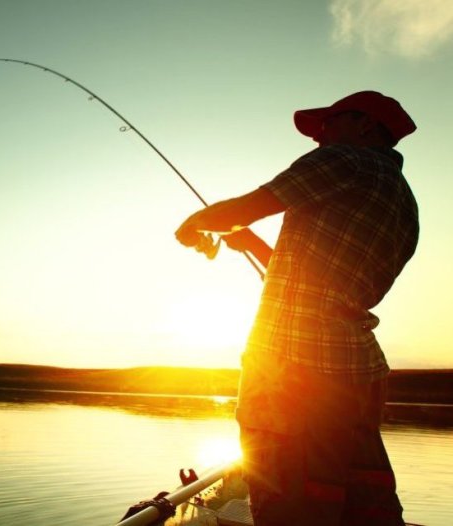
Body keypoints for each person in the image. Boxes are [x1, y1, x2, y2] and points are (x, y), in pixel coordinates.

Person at [175, 91, 418, 525]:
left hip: (294, 367)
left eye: (329, 124)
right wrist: (251, 242)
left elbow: (252, 205)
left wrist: (195, 223)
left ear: (364, 125)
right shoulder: (404, 200)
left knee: (286, 497)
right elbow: (320, 284)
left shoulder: (345, 159)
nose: (319, 136)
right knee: (357, 497)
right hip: (359, 371)